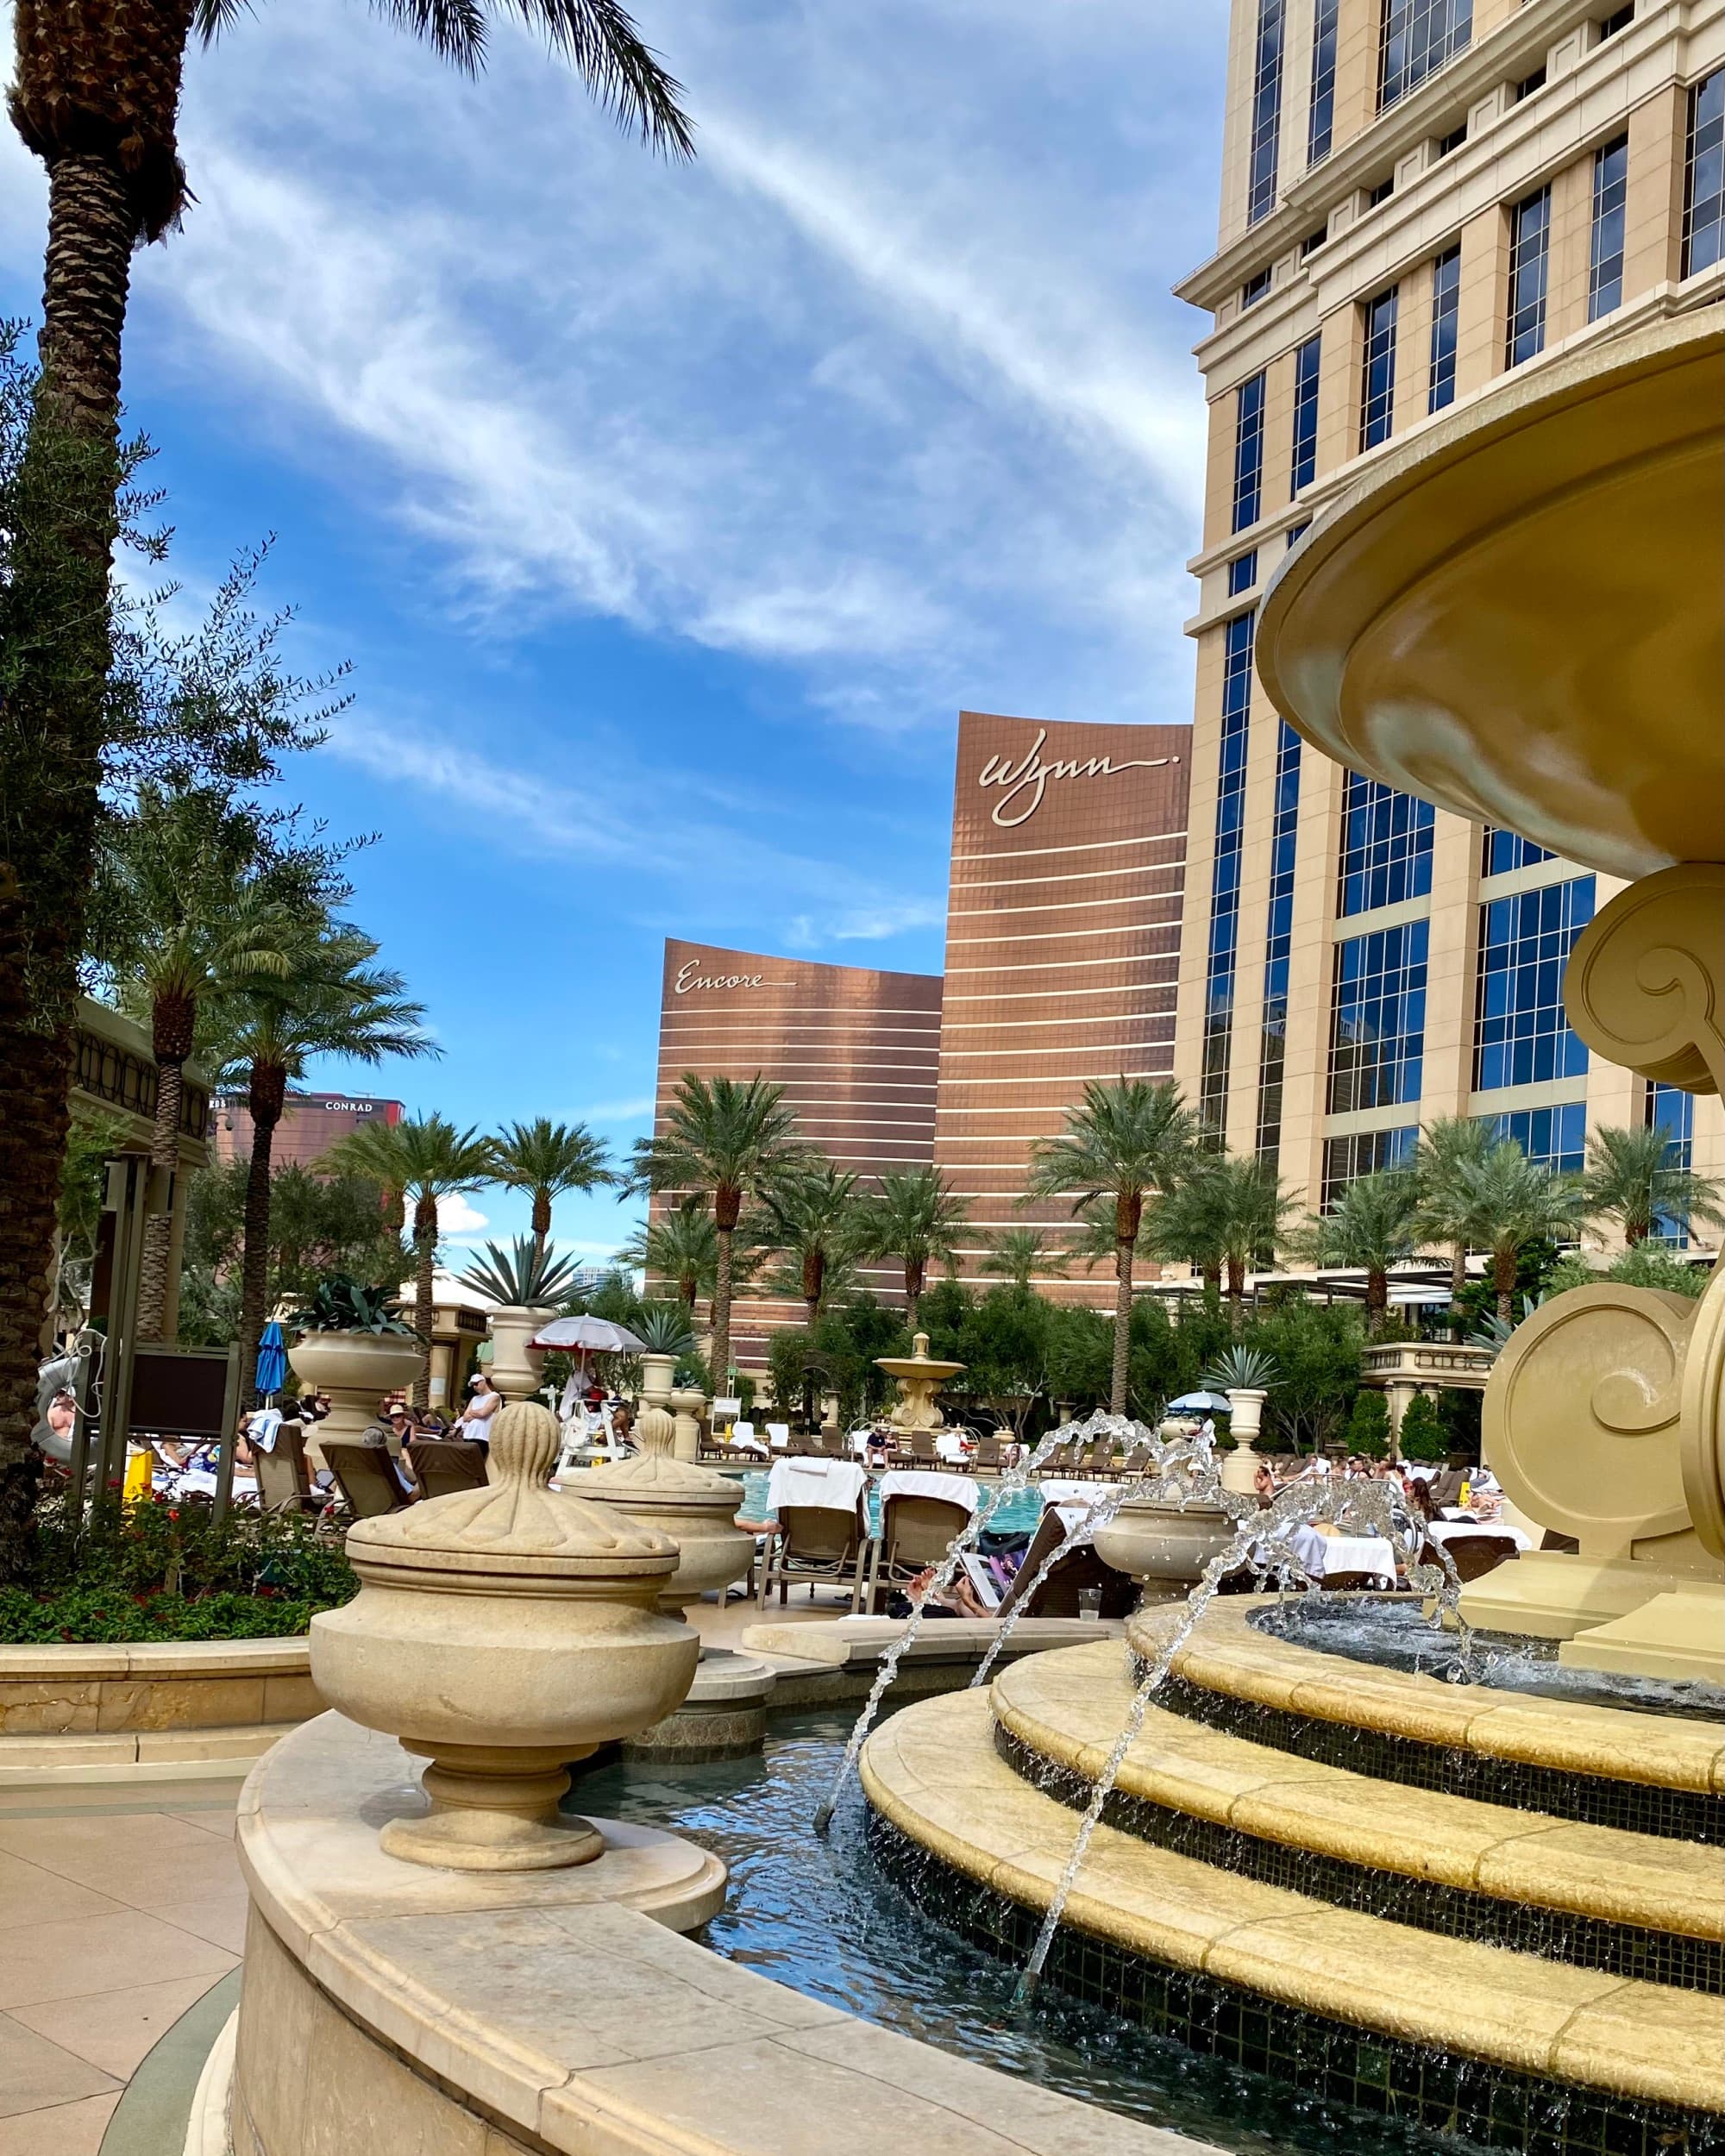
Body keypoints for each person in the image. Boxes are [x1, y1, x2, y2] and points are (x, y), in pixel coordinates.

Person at [455, 1371, 501, 1445]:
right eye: (473, 1385)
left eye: (476, 1384)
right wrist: (478, 1413)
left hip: (483, 1436)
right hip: (469, 1434)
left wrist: (471, 1412)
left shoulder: (494, 1396)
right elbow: (465, 1418)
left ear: (483, 1382)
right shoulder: (475, 1398)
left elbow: (482, 1413)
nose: (475, 1387)